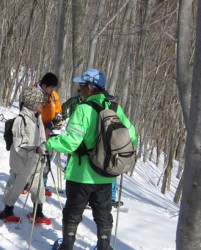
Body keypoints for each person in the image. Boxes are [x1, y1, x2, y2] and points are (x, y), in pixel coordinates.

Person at [44, 69, 138, 250]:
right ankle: (104, 247)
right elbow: (132, 136)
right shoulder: (115, 108)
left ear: (89, 88)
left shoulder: (83, 109)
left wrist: (49, 144)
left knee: (73, 212)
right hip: (106, 173)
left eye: (80, 87)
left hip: (81, 173)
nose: (79, 91)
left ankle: (67, 246)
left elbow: (71, 143)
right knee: (103, 213)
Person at [0, 86, 48, 222]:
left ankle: (38, 211)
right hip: (21, 161)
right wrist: (35, 150)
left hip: (36, 159)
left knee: (38, 186)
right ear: (32, 103)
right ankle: (8, 210)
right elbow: (19, 146)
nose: (42, 104)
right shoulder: (21, 120)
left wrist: (44, 147)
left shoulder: (37, 118)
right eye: (40, 102)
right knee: (16, 185)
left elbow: (41, 137)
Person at [34, 73, 62, 195]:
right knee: (33, 162)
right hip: (36, 134)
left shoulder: (54, 95)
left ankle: (42, 185)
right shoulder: (34, 92)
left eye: (54, 88)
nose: (53, 90)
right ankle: (28, 183)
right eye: (51, 87)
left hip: (50, 134)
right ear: (44, 85)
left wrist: (57, 118)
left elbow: (58, 109)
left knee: (46, 162)